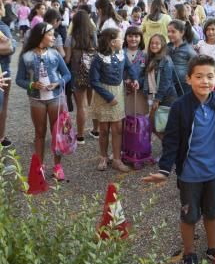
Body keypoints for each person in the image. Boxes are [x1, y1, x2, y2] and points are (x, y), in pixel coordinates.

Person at [143, 54, 215, 264]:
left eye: (210, 76)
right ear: (189, 79)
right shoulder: (181, 106)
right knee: (189, 215)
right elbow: (171, 140)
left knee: (212, 212)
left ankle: (212, 248)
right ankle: (188, 254)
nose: (205, 81)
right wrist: (164, 170)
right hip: (189, 174)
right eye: (199, 76)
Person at [16, 22, 71, 180]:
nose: (54, 37)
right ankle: (39, 166)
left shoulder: (55, 54)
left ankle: (57, 167)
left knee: (57, 133)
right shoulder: (26, 56)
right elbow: (19, 80)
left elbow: (67, 75)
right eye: (50, 34)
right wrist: (32, 84)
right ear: (41, 35)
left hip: (55, 98)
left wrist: (58, 83)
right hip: (36, 100)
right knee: (39, 134)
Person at [89, 27, 138, 172]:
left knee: (117, 129)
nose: (123, 41)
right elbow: (94, 81)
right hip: (103, 94)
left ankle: (117, 159)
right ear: (112, 42)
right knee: (103, 129)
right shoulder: (98, 58)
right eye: (120, 38)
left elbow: (130, 67)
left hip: (118, 92)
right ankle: (103, 157)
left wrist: (134, 79)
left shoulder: (122, 54)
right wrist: (109, 97)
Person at [64, 9, 98, 143]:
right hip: (93, 72)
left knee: (81, 106)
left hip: (77, 73)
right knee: (93, 102)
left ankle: (80, 136)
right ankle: (96, 130)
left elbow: (67, 59)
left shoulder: (70, 37)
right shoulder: (93, 34)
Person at [144, 34, 177, 133]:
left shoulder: (166, 60)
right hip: (154, 96)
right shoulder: (151, 58)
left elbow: (165, 82)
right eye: (152, 43)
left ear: (163, 45)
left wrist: (157, 99)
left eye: (157, 43)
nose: (154, 45)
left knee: (162, 126)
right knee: (155, 125)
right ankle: (167, 146)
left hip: (166, 98)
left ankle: (169, 147)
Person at [166, 19, 196, 96]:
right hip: (169, 84)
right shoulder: (167, 47)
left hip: (184, 86)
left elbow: (196, 66)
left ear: (182, 33)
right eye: (168, 31)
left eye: (173, 32)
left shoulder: (188, 49)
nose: (169, 34)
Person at [123, 27, 148, 116]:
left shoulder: (144, 55)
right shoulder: (120, 53)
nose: (133, 39)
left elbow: (147, 73)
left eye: (136, 36)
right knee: (124, 116)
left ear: (141, 38)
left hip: (139, 92)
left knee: (138, 117)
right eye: (130, 36)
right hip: (123, 91)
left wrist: (139, 83)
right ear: (125, 38)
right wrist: (125, 81)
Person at [0, 16, 16, 149]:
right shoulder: (3, 27)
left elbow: (10, 47)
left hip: (4, 73)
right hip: (3, 74)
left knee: (3, 106)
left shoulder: (3, 27)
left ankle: (1, 137)